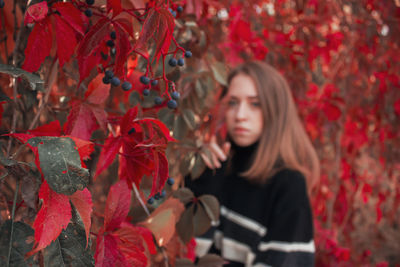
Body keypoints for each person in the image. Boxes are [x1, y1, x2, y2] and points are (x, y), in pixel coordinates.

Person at [185, 61, 320, 267]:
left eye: (255, 104)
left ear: (275, 111)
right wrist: (202, 189)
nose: (240, 116)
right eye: (232, 103)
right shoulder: (216, 170)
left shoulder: (288, 185)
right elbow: (185, 256)